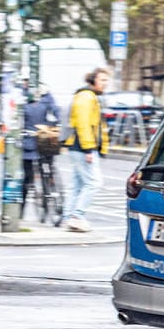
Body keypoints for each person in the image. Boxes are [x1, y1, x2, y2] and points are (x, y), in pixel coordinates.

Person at [62, 66, 111, 233]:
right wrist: (89, 149)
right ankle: (77, 215)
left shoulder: (90, 96)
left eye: (106, 80)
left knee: (77, 184)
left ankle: (69, 217)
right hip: (82, 147)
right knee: (94, 183)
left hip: (79, 147)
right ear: (93, 80)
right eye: (102, 80)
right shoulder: (86, 97)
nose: (105, 83)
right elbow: (83, 124)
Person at [20, 86, 61, 223]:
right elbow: (56, 112)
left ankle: (20, 211)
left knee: (27, 179)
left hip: (33, 142)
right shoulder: (46, 95)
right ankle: (51, 188)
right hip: (45, 139)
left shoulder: (24, 97)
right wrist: (55, 125)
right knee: (44, 168)